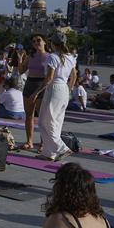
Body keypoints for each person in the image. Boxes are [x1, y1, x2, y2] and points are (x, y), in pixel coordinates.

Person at [33, 32, 77, 161]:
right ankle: (49, 152)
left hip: (54, 88)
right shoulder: (71, 57)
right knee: (56, 122)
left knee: (44, 122)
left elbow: (49, 78)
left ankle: (61, 148)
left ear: (52, 43)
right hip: (63, 89)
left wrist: (36, 92)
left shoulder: (53, 57)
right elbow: (74, 76)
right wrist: (69, 89)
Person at [18, 35, 50, 151]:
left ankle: (43, 143)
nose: (36, 42)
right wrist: (20, 58)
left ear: (45, 42)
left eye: (39, 40)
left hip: (41, 85)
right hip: (29, 84)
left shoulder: (49, 57)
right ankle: (29, 141)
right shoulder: (31, 56)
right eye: (34, 41)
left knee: (42, 117)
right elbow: (21, 70)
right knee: (29, 115)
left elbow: (50, 76)